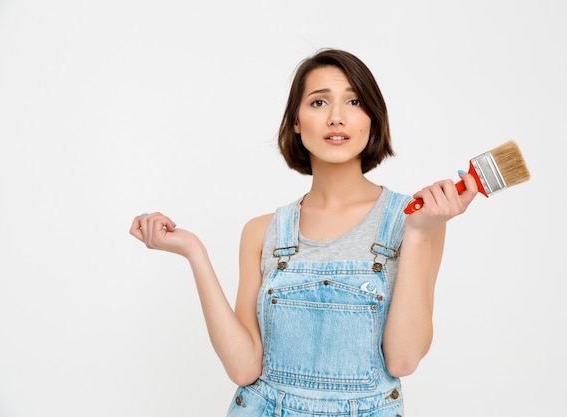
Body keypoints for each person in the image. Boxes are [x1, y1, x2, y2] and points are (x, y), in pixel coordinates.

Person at [129, 48, 478, 417]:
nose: (336, 117)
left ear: (372, 119)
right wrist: (193, 251)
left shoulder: (415, 221)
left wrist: (421, 235)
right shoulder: (263, 231)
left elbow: (403, 360)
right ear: (296, 121)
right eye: (318, 102)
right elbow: (244, 368)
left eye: (354, 101)